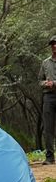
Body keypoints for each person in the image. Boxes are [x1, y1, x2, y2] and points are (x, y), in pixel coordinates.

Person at [39, 35, 56, 165]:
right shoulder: (45, 63)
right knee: (48, 127)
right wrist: (46, 83)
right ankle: (50, 157)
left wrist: (54, 83)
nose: (54, 46)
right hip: (48, 97)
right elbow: (39, 80)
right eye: (52, 44)